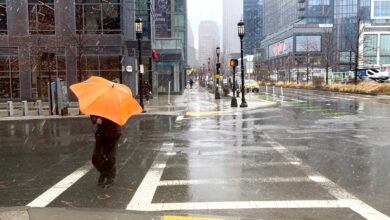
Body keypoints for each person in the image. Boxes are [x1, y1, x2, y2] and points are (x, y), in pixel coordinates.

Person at [90, 115, 122, 188]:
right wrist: (96, 119)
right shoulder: (98, 104)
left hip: (113, 133)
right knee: (96, 158)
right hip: (101, 134)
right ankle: (105, 172)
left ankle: (110, 177)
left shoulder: (116, 105)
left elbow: (120, 118)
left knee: (110, 157)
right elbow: (92, 114)